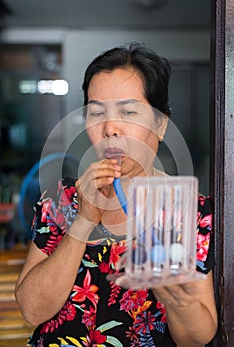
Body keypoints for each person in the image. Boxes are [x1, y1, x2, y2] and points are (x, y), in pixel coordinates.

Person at [15, 42, 218, 347]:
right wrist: (83, 220)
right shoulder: (61, 200)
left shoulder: (191, 212)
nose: (110, 127)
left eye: (128, 112)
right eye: (96, 113)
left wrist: (179, 301)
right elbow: (31, 310)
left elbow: (196, 338)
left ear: (160, 125)